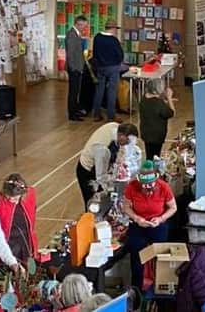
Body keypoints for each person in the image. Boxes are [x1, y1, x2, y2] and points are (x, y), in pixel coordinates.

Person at [123, 161, 177, 289]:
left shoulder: (164, 187)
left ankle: (159, 283)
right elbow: (126, 207)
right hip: (138, 225)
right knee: (136, 255)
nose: (147, 189)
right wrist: (136, 218)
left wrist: (161, 219)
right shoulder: (131, 187)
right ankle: (136, 288)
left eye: (150, 186)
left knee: (159, 256)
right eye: (144, 186)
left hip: (157, 224)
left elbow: (173, 207)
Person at [76, 122, 139, 210]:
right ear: (121, 136)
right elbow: (101, 177)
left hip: (102, 163)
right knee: (94, 205)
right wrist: (116, 178)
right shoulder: (103, 150)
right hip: (88, 172)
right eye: (128, 141)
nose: (128, 144)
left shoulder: (116, 127)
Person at [92, 23, 124, 122]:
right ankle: (111, 116)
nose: (116, 31)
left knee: (99, 91)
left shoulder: (97, 37)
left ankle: (96, 114)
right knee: (112, 91)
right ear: (113, 29)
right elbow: (120, 55)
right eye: (116, 29)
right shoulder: (114, 40)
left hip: (100, 67)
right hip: (113, 68)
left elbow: (95, 53)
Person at [139, 79, 175, 160]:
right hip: (157, 135)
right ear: (155, 90)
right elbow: (172, 113)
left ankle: (149, 169)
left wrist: (164, 101)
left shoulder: (143, 99)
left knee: (149, 156)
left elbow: (154, 108)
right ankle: (154, 171)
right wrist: (169, 98)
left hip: (146, 133)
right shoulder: (159, 103)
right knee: (156, 157)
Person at [66, 16, 88, 121]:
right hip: (74, 68)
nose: (85, 28)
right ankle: (72, 114)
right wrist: (74, 68)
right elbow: (70, 54)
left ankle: (75, 110)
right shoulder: (72, 35)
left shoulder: (77, 34)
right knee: (73, 92)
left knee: (76, 91)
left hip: (78, 67)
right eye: (83, 25)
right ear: (78, 24)